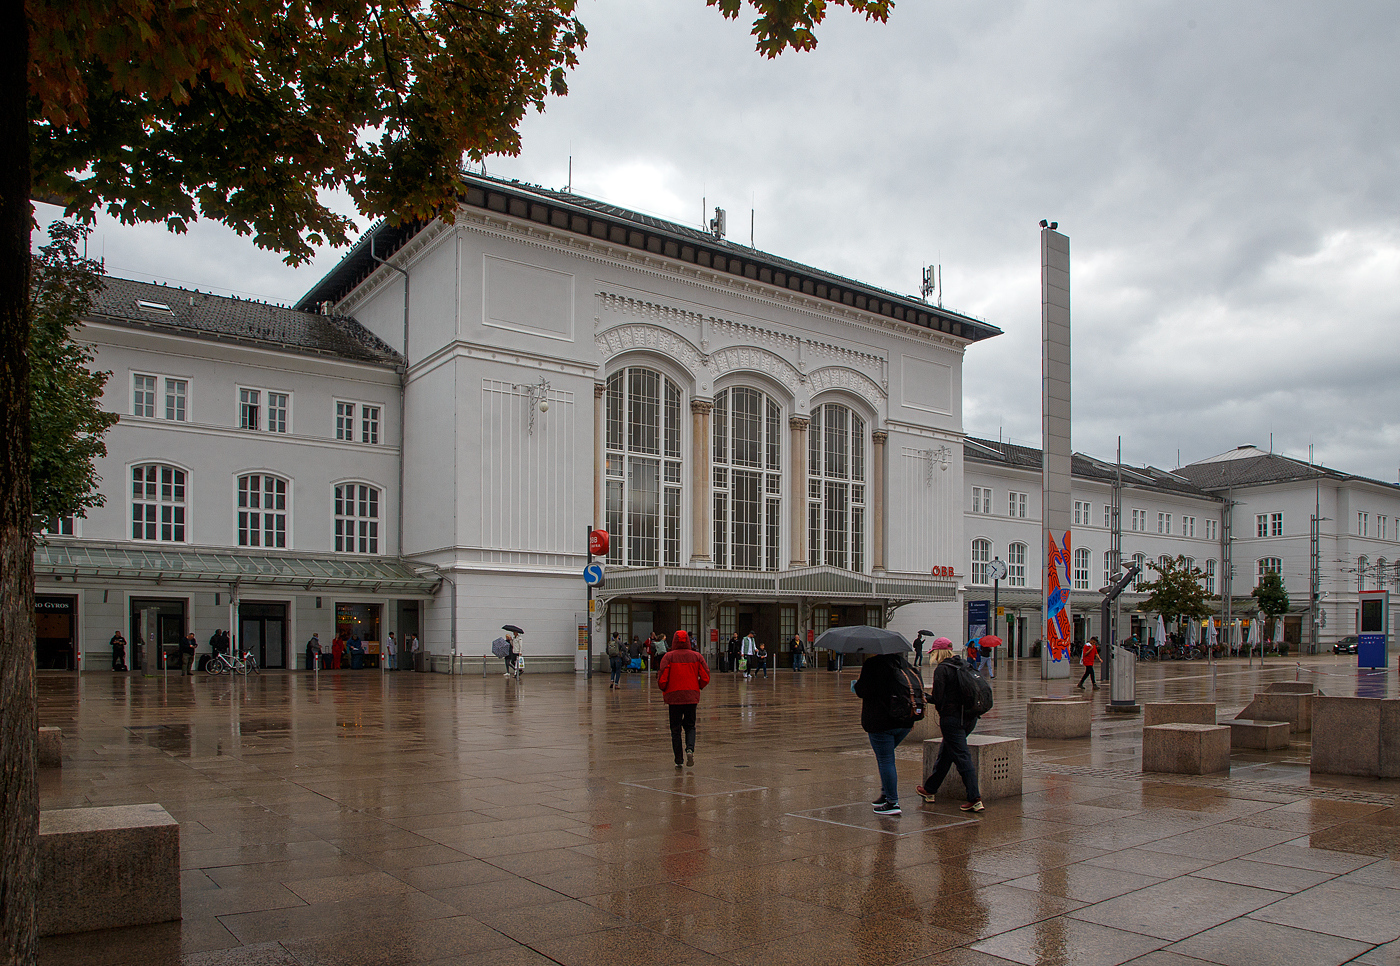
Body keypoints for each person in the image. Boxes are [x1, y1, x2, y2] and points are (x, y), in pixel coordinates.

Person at [851, 649, 920, 816]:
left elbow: (863, 691)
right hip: (904, 721)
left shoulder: (873, 665)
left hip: (881, 722)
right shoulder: (906, 665)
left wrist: (855, 685)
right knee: (885, 759)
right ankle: (885, 793)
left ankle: (892, 801)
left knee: (886, 760)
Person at [917, 649, 985, 813]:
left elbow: (938, 698)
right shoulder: (965, 665)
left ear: (937, 653)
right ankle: (930, 789)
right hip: (970, 718)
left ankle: (974, 798)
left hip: (952, 720)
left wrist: (925, 697)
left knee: (962, 756)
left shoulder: (942, 669)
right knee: (946, 753)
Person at [657, 629, 710, 767]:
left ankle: (678, 760)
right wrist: (698, 686)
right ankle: (690, 748)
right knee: (690, 726)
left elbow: (662, 679)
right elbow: (706, 676)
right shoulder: (696, 656)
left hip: (674, 697)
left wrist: (665, 689)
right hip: (691, 696)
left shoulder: (668, 657)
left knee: (675, 729)